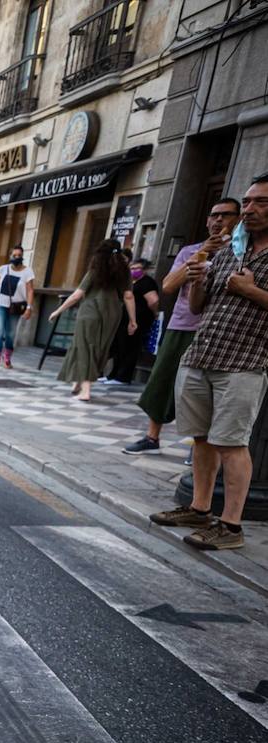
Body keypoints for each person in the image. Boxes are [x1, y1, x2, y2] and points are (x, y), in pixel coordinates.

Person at [149, 175, 268, 550]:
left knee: (231, 444)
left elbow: (245, 294)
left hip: (244, 362)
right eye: (247, 202)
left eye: (260, 202)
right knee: (200, 438)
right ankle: (199, 508)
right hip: (201, 354)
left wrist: (250, 290)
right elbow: (198, 306)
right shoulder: (231, 250)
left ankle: (230, 526)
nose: (249, 209)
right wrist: (198, 282)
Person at [124, 199, 241, 456]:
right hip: (182, 324)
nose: (218, 221)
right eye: (214, 216)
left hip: (216, 328)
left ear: (238, 219)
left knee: (207, 388)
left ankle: (200, 448)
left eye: (225, 215)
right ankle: (151, 437)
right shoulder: (191, 251)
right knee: (163, 379)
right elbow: (167, 286)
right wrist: (200, 257)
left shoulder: (241, 251)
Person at [50, 239, 136, 402]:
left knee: (84, 347)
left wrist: (58, 310)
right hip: (113, 314)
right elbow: (128, 296)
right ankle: (77, 382)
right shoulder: (124, 272)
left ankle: (85, 390)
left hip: (90, 312)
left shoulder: (96, 270)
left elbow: (77, 295)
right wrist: (133, 320)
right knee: (99, 349)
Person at [106, 258, 160, 384]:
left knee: (130, 347)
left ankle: (123, 377)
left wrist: (154, 313)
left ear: (145, 270)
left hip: (138, 319)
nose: (133, 271)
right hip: (124, 318)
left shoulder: (147, 282)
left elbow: (153, 300)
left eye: (137, 268)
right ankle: (113, 375)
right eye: (132, 268)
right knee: (119, 346)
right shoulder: (131, 281)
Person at [0, 244, 36, 371]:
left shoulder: (27, 272)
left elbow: (30, 291)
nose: (17, 257)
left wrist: (29, 307)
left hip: (15, 307)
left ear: (22, 256)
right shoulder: (3, 269)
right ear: (10, 256)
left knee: (10, 334)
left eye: (19, 255)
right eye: (14, 255)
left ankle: (7, 358)